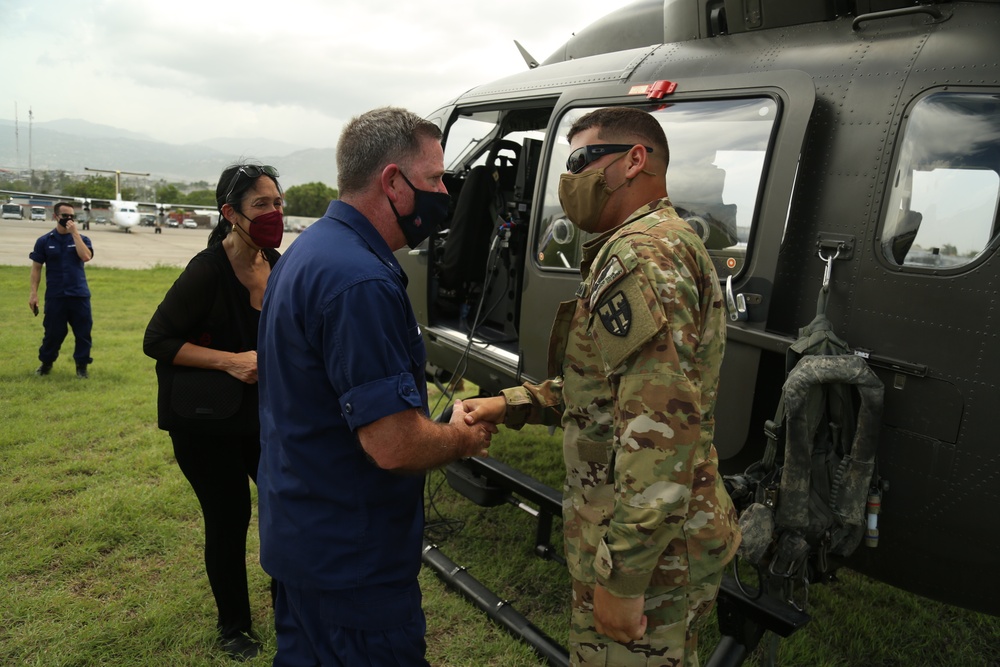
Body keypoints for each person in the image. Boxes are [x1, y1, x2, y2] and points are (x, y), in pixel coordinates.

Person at [462, 107, 741, 667]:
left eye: (581, 160)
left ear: (635, 160)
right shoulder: (653, 241)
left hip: (650, 558)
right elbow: (604, 395)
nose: (569, 180)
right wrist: (509, 403)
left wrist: (625, 579)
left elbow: (660, 434)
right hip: (651, 541)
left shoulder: (639, 255)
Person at [256, 106, 496, 667]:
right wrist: (461, 438)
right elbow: (392, 444)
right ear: (393, 182)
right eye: (435, 178)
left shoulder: (310, 252)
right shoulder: (359, 279)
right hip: (353, 567)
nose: (444, 191)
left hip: (305, 542)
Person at [143, 162, 285, 662]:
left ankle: (287, 603)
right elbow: (156, 340)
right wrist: (231, 362)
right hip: (207, 423)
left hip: (263, 418)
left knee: (284, 508)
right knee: (229, 518)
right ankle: (234, 628)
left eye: (277, 202)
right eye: (261, 205)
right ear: (230, 213)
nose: (274, 213)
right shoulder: (205, 272)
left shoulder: (278, 262)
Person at [29, 201, 94, 378]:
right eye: (65, 216)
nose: (69, 219)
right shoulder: (44, 241)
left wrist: (75, 234)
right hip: (55, 295)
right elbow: (36, 268)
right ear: (56, 216)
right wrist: (33, 293)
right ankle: (46, 363)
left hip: (79, 294)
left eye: (72, 216)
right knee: (52, 333)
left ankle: (81, 367)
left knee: (83, 333)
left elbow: (86, 256)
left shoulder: (82, 239)